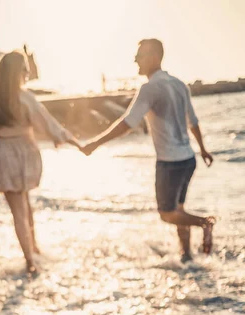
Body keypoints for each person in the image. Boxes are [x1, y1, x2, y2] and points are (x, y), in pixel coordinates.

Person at [82, 39, 215, 261]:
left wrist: (95, 143)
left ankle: (205, 223)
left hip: (170, 162)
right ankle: (187, 256)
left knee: (167, 214)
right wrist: (203, 149)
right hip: (187, 159)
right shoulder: (180, 84)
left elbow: (128, 123)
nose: (135, 61)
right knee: (179, 210)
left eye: (140, 56)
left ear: (154, 57)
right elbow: (193, 121)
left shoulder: (150, 88)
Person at [0, 50, 81, 274]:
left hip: (6, 152)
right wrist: (69, 140)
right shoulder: (24, 97)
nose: (27, 74)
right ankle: (32, 254)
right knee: (26, 206)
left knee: (18, 210)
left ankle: (30, 257)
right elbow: (47, 123)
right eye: (25, 69)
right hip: (27, 152)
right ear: (19, 72)